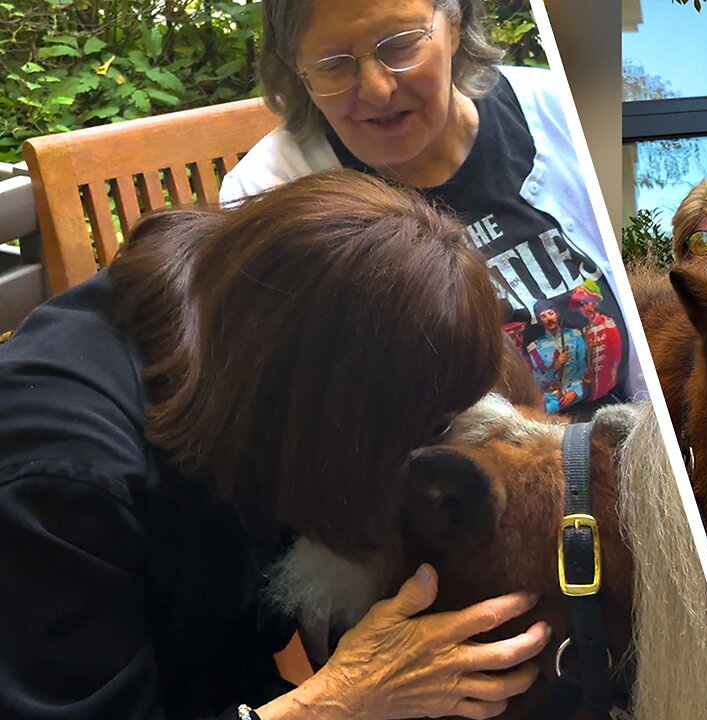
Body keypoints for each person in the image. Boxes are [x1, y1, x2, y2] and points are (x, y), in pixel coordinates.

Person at [0, 171, 553, 720]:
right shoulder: (61, 483)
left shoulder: (256, 303)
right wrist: (347, 696)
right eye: (424, 430)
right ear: (322, 414)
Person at [219, 0, 639, 416]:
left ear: (455, 25)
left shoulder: (560, 112)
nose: (377, 89)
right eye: (333, 63)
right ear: (297, 70)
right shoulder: (272, 193)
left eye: (400, 44)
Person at [525, 298, 587, 414]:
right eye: (543, 316)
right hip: (552, 398)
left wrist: (575, 391)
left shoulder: (575, 335)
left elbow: (583, 366)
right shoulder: (536, 347)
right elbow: (538, 379)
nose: (548, 318)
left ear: (556, 315)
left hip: (578, 391)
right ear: (540, 321)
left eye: (550, 313)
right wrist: (555, 367)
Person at [568, 282, 623, 403]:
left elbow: (614, 358)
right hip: (592, 391)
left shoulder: (607, 324)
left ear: (595, 303)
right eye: (581, 305)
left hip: (608, 388)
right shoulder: (585, 330)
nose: (585, 308)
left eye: (587, 303)